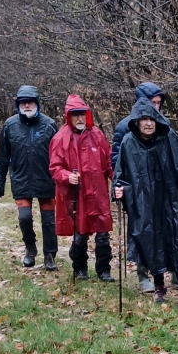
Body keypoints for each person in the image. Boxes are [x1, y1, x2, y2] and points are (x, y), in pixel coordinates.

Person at [113, 99, 178, 308]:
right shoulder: (128, 142)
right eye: (144, 119)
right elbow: (121, 174)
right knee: (151, 242)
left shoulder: (168, 137)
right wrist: (118, 189)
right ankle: (159, 286)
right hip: (145, 203)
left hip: (171, 200)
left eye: (152, 118)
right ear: (136, 122)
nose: (149, 123)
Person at [49, 95, 114, 282]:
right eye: (75, 115)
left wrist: (117, 179)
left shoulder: (97, 135)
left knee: (103, 233)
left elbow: (109, 161)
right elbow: (55, 167)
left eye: (82, 114)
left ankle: (104, 269)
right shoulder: (60, 139)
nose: (79, 118)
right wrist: (66, 176)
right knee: (80, 233)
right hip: (76, 194)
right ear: (68, 116)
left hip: (99, 192)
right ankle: (80, 267)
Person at [0, 85, 59, 270]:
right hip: (21, 180)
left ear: (37, 103)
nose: (27, 105)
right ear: (18, 105)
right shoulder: (10, 125)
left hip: (46, 180)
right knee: (25, 218)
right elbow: (2, 157)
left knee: (49, 221)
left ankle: (50, 255)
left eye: (30, 102)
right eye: (23, 102)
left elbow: (60, 155)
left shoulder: (50, 125)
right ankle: (30, 248)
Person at [112, 82, 166, 293]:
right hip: (134, 189)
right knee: (141, 230)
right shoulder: (124, 128)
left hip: (159, 187)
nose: (156, 108)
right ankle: (143, 275)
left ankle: (168, 273)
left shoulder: (161, 124)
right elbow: (116, 161)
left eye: (159, 103)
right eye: (152, 103)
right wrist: (119, 187)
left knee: (163, 229)